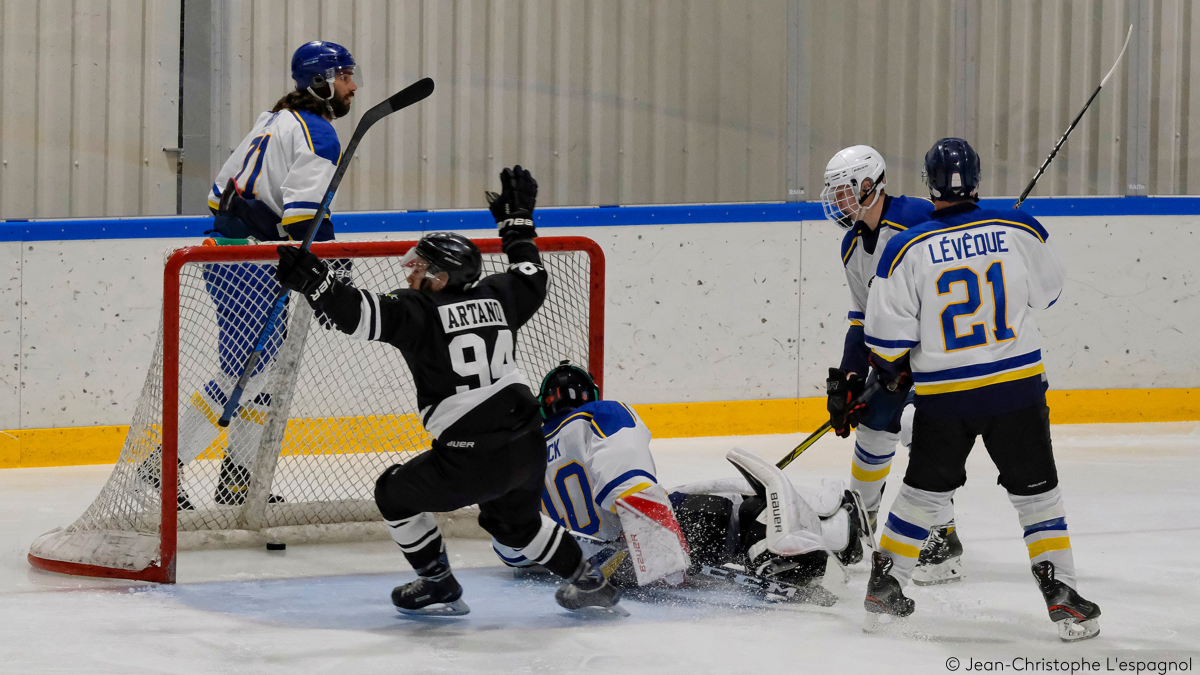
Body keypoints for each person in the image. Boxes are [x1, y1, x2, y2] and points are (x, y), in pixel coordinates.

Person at [275, 166, 623, 617]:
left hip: (472, 454)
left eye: (419, 267)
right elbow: (531, 271)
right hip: (527, 442)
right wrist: (517, 220)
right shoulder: (499, 296)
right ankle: (590, 582)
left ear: (440, 278)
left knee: (393, 494)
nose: (411, 273)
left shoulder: (418, 310)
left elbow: (355, 314)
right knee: (514, 525)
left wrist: (315, 281)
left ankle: (437, 582)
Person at [861, 137, 1100, 642]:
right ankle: (1063, 599)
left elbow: (883, 341)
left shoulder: (905, 247)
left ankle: (886, 586)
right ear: (977, 178)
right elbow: (1050, 293)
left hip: (946, 399)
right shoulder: (1018, 228)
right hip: (1016, 391)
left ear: (929, 184)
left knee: (922, 494)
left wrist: (897, 368)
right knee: (1039, 499)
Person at [138, 41, 358, 510]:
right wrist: (333, 264)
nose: (352, 86)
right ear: (321, 81)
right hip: (251, 264)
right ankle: (159, 466)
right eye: (344, 76)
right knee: (248, 369)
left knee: (266, 371)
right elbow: (301, 219)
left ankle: (236, 481)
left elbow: (219, 194)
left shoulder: (272, 121)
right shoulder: (318, 134)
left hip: (241, 257)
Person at [491, 361, 872, 605]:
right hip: (643, 552)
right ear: (590, 395)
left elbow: (512, 551)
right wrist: (661, 557)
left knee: (702, 490)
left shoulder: (522, 452)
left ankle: (817, 529)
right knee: (733, 503)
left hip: (600, 567)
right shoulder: (601, 414)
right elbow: (630, 486)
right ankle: (828, 537)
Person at [820, 145, 964, 584]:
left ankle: (943, 538)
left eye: (843, 191)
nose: (837, 201)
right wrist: (848, 378)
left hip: (944, 354)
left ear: (870, 185)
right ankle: (861, 523)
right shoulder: (851, 246)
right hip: (896, 356)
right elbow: (863, 318)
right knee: (872, 421)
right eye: (834, 192)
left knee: (918, 427)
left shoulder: (918, 217)